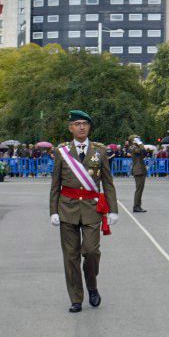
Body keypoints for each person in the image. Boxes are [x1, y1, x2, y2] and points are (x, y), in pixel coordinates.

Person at [49, 109, 119, 313]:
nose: (81, 127)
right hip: (67, 208)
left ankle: (92, 286)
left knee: (91, 251)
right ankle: (76, 298)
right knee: (70, 256)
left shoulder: (100, 151)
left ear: (89, 127)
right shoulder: (61, 151)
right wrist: (53, 210)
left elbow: (107, 181)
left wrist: (113, 209)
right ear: (70, 127)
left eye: (85, 124)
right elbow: (55, 183)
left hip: (91, 209)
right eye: (77, 124)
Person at [128, 135, 150, 212]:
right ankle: (136, 207)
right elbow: (141, 151)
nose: (138, 140)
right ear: (133, 140)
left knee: (140, 189)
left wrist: (140, 145)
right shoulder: (132, 147)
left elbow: (144, 153)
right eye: (136, 139)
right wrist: (140, 144)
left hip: (140, 169)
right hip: (138, 170)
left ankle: (138, 206)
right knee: (139, 190)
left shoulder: (136, 147)